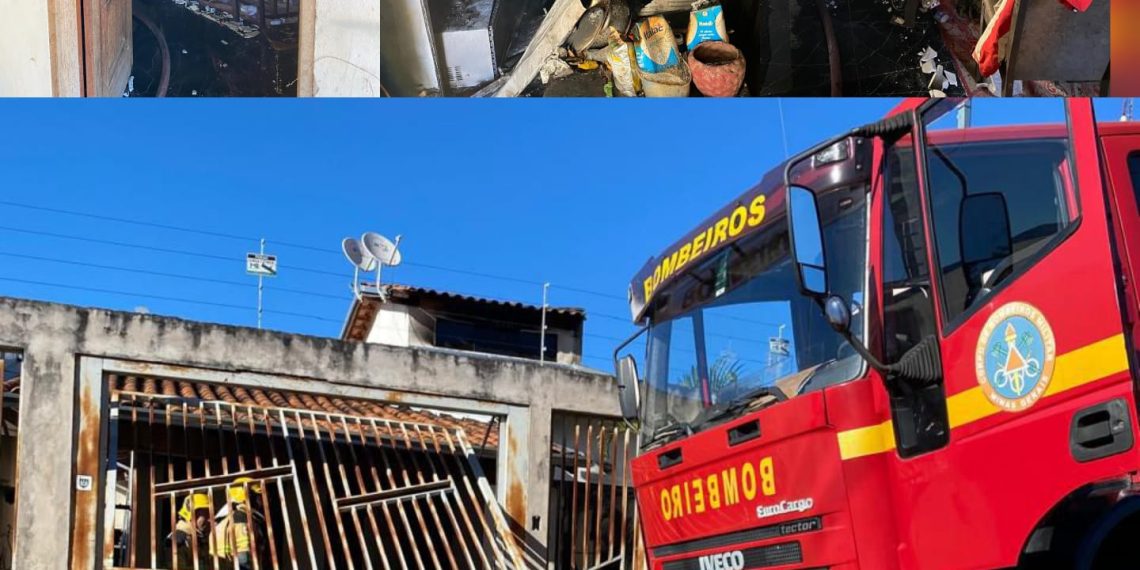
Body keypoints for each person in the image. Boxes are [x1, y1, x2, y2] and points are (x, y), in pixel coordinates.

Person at [210, 477, 266, 570]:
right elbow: (243, 558)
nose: (262, 501)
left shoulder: (227, 518)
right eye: (259, 496)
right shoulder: (241, 517)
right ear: (248, 496)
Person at [168, 493, 213, 569]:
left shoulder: (197, 536)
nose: (210, 519)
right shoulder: (177, 539)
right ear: (192, 514)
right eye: (206, 514)